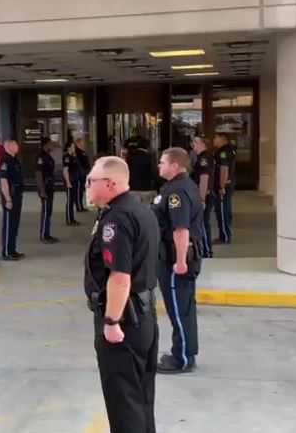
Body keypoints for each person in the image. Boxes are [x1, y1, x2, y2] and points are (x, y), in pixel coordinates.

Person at [84, 156, 159, 433]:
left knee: (124, 402)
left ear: (111, 183)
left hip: (126, 320)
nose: (87, 185)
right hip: (145, 315)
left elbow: (119, 275)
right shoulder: (140, 210)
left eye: (92, 180)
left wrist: (112, 321)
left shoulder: (117, 219)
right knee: (140, 396)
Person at [153, 147, 204, 374]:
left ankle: (181, 358)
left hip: (175, 259)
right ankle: (184, 351)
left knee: (178, 310)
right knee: (183, 308)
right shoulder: (182, 186)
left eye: (162, 162)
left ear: (175, 165)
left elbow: (180, 229)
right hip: (176, 256)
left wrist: (180, 261)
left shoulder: (177, 192)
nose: (159, 166)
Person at [0, 140, 25, 261]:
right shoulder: (5, 160)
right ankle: (6, 252)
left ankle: (12, 249)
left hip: (17, 195)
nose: (17, 146)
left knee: (14, 224)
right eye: (15, 145)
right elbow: (3, 181)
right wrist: (8, 199)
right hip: (10, 195)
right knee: (9, 224)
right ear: (8, 147)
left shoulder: (15, 159)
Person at [191, 137, 215, 258]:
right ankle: (205, 249)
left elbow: (204, 178)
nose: (193, 145)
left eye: (195, 142)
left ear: (201, 144)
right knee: (202, 223)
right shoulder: (203, 157)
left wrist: (202, 199)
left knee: (203, 224)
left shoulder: (204, 158)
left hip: (205, 195)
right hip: (205, 194)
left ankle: (206, 250)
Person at [213, 133, 237, 244]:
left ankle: (225, 237)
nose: (214, 140)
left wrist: (221, 186)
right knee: (226, 209)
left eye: (216, 138)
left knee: (222, 212)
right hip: (229, 184)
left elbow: (224, 169)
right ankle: (225, 234)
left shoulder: (223, 152)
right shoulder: (230, 150)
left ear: (223, 139)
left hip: (224, 186)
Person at [35, 139, 58, 244]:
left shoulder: (48, 156)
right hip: (45, 187)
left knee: (48, 211)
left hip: (49, 186)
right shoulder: (41, 157)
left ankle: (47, 233)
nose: (52, 146)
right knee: (45, 212)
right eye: (50, 144)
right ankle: (44, 235)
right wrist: (42, 190)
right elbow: (39, 174)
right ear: (45, 145)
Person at [126, 139, 156, 204]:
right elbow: (153, 173)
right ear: (147, 146)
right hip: (146, 189)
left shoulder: (129, 157)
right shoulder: (149, 157)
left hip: (132, 189)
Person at [62, 142, 81, 226]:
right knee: (70, 201)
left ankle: (72, 218)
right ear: (69, 148)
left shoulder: (73, 156)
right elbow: (65, 170)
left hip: (75, 180)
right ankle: (69, 220)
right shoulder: (67, 157)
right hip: (70, 181)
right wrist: (68, 182)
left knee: (72, 200)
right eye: (73, 147)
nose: (74, 148)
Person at [75, 138, 90, 212]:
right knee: (78, 191)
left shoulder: (82, 152)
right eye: (81, 143)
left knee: (81, 191)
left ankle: (80, 205)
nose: (83, 144)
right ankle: (79, 206)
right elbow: (79, 163)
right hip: (79, 173)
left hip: (83, 173)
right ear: (78, 143)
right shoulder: (77, 152)